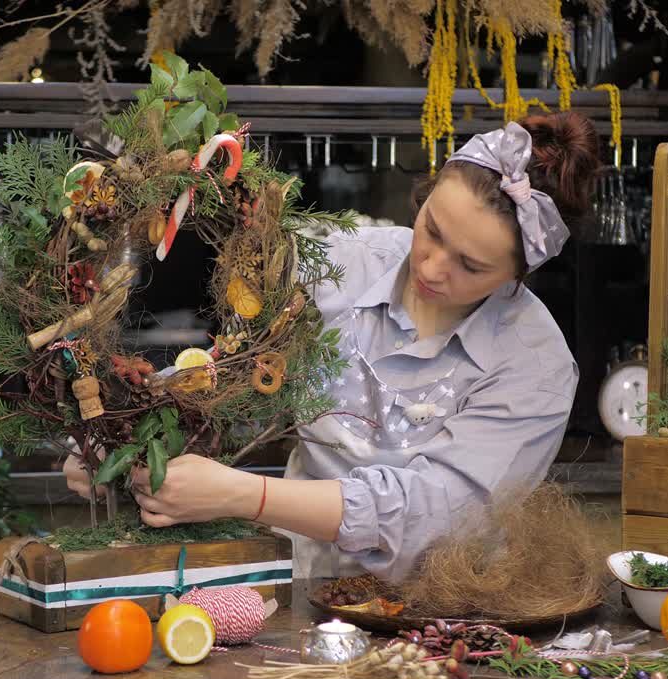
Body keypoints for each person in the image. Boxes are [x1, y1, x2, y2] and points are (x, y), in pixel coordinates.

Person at [66, 112, 599, 582]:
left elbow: (438, 516)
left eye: (471, 265)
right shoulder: (338, 264)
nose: (433, 268)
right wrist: (125, 435)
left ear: (518, 274)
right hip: (290, 587)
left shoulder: (536, 367)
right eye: (432, 230)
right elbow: (226, 370)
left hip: (444, 613)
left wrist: (246, 496)